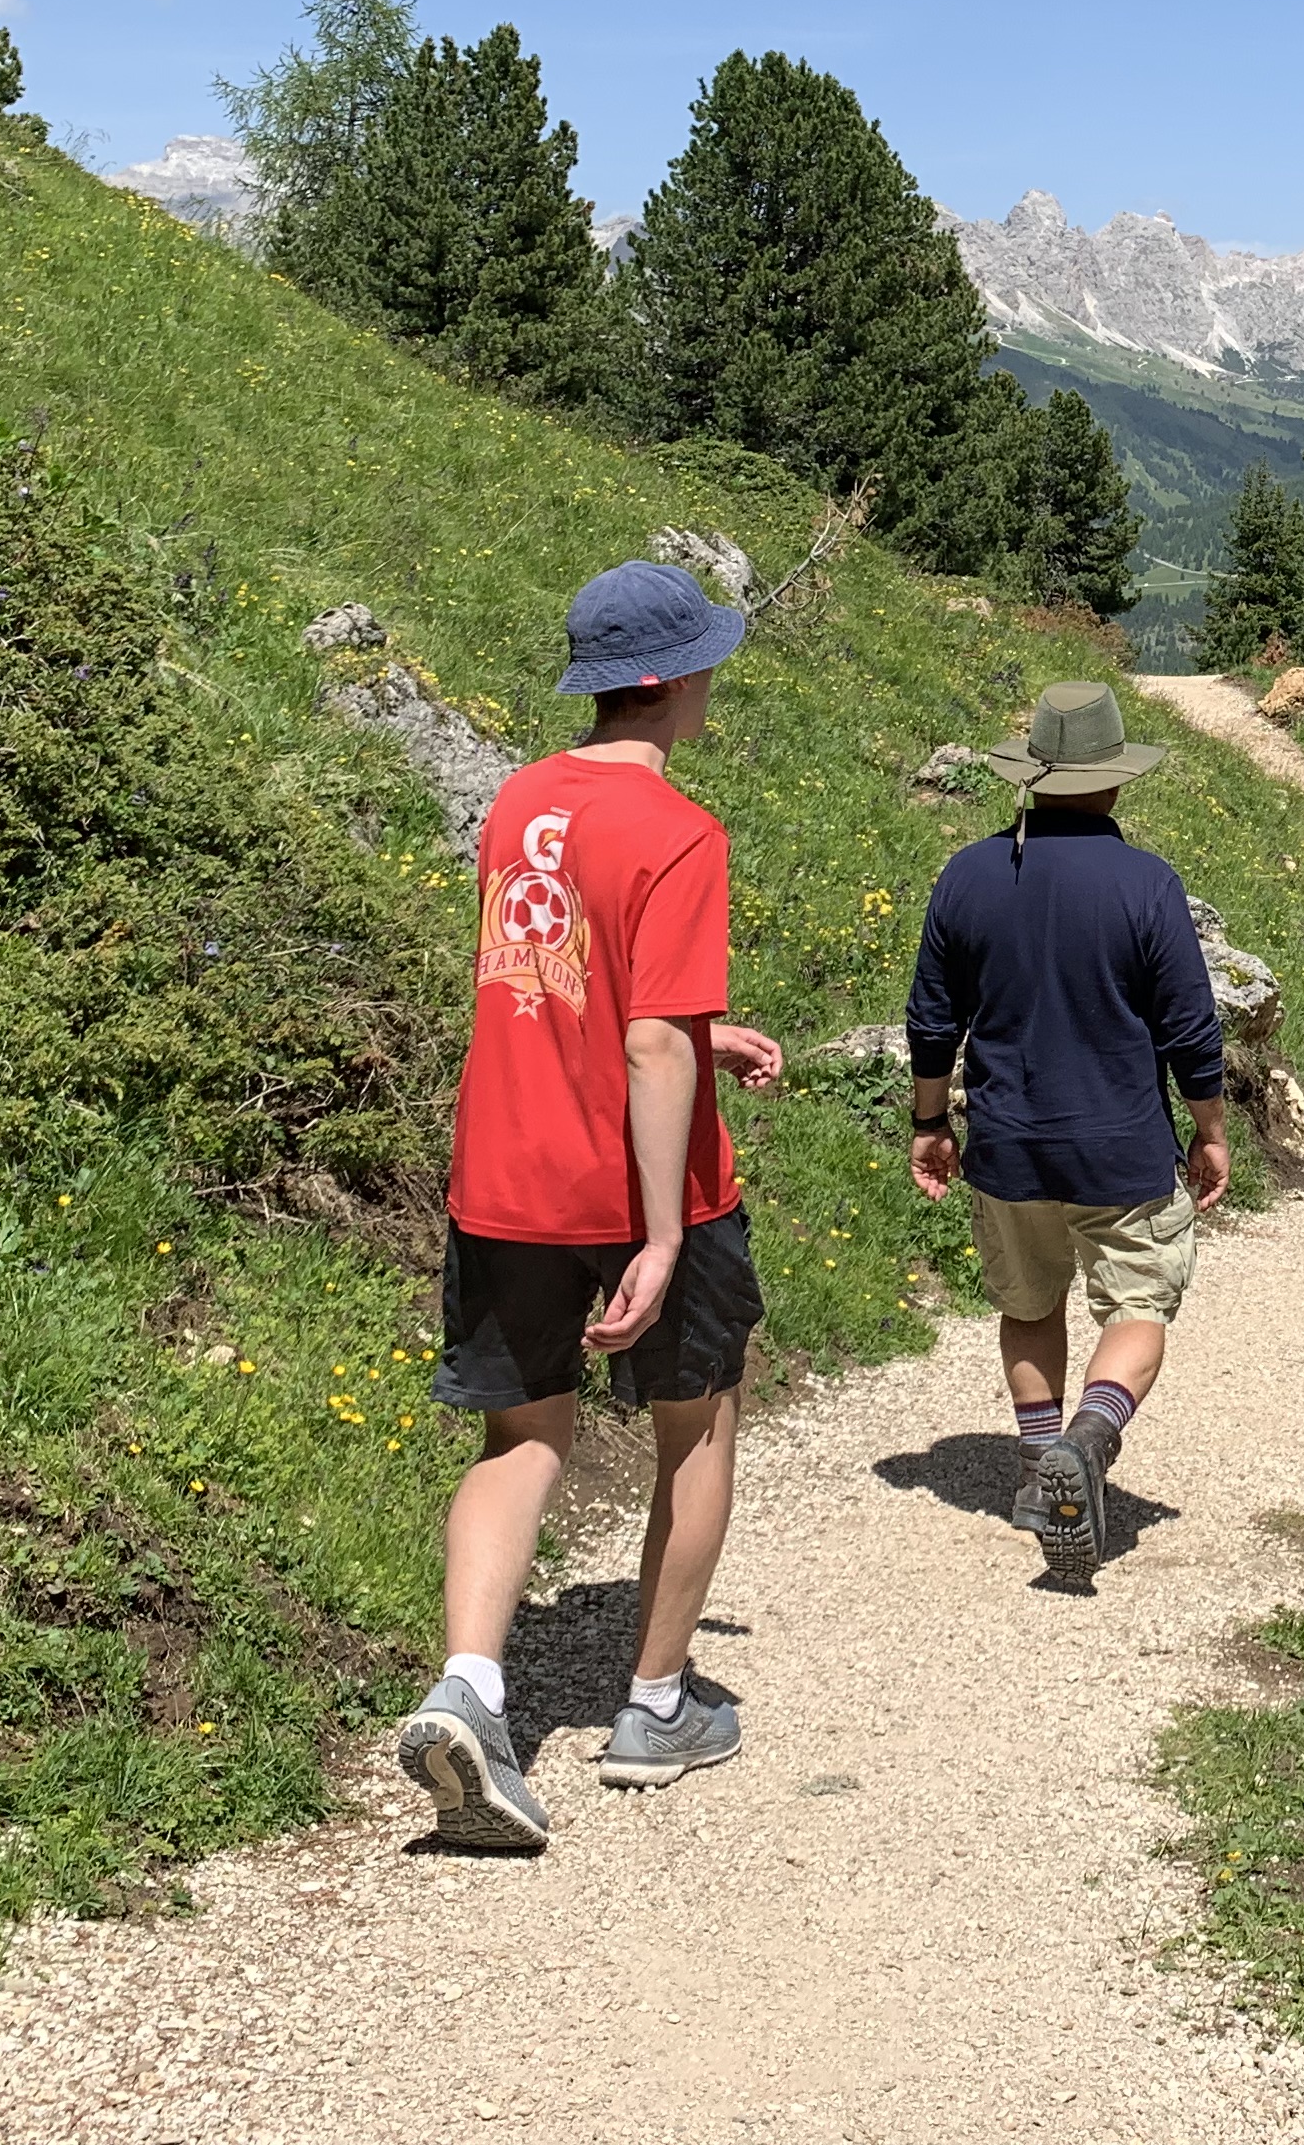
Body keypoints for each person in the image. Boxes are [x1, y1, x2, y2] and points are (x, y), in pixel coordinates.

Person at [395, 560, 785, 1851]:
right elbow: (644, 1050)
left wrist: (699, 1023)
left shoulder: (520, 801)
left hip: (503, 1172)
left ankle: (472, 1686)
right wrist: (667, 1227)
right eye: (710, 662)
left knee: (520, 1436)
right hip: (632, 1183)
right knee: (700, 1427)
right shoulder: (681, 832)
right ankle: (657, 1706)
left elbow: (560, 972)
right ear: (670, 685)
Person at [904, 679, 1230, 1576]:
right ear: (1116, 780)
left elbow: (933, 1022)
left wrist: (931, 1122)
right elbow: (1190, 1028)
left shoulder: (969, 875)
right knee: (1138, 1306)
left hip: (1007, 1144)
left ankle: (1035, 1457)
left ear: (1030, 777)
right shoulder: (1147, 883)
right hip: (1121, 1147)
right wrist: (1209, 1129)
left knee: (1028, 1305)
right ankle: (1089, 1441)